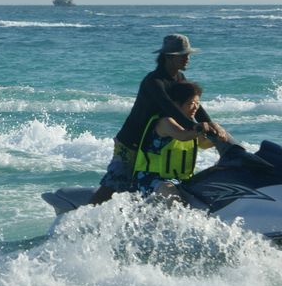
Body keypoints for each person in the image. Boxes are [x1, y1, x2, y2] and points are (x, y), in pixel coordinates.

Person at [89, 34, 227, 204]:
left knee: (140, 187)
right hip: (131, 143)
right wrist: (194, 127)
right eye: (183, 55)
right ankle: (79, 219)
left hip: (152, 142)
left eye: (188, 55)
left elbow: (195, 106)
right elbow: (170, 107)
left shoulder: (179, 79)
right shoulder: (154, 81)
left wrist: (211, 125)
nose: (188, 59)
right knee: (112, 185)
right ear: (169, 57)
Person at [131, 81, 218, 200]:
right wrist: (201, 128)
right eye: (191, 103)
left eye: (197, 103)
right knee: (170, 191)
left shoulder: (191, 125)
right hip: (152, 179)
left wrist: (220, 137)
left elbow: (204, 144)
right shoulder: (165, 122)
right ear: (176, 105)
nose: (195, 107)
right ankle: (173, 219)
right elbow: (182, 135)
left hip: (181, 180)